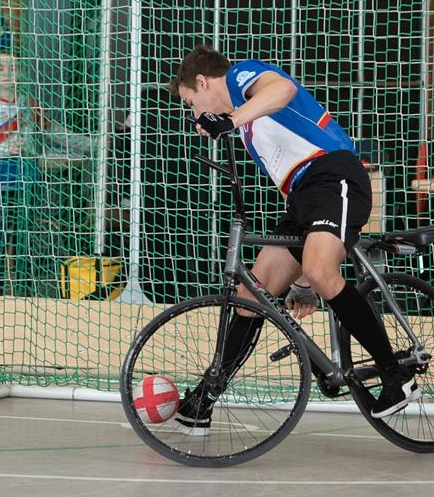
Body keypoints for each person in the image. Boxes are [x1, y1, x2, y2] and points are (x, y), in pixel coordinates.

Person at [169, 46, 419, 429]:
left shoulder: (241, 78)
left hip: (335, 175)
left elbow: (282, 89)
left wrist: (230, 119)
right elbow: (304, 214)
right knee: (251, 295)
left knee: (323, 272)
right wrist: (300, 280)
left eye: (191, 102)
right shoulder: (250, 126)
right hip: (303, 198)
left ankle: (395, 373)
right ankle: (206, 396)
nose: (194, 113)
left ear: (202, 82)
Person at [0, 50, 47, 295]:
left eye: (12, 68)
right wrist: (5, 148)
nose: (6, 73)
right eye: (0, 68)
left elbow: (49, 136)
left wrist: (89, 145)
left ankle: (23, 291)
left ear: (20, 73)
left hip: (27, 180)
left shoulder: (30, 104)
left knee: (25, 239)